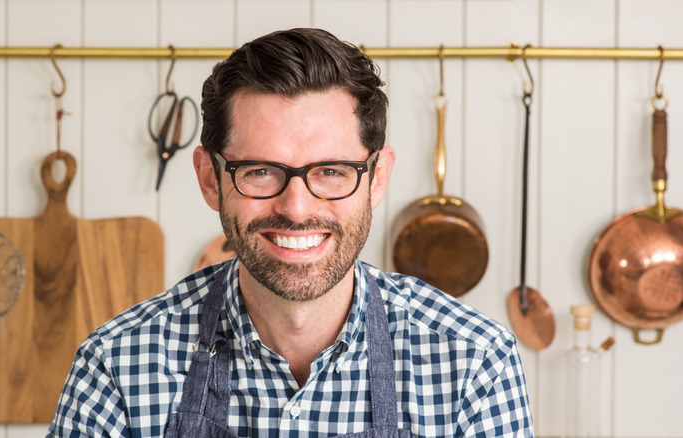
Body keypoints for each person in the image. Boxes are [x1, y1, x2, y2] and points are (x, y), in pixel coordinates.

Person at [48, 27, 533, 437]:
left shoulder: (472, 364)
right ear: (209, 178)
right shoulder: (117, 366)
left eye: (331, 171)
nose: (296, 209)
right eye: (260, 171)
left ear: (377, 178)